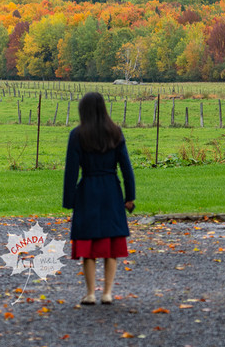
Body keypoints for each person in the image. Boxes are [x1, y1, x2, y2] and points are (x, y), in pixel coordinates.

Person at [62, 91, 136, 305]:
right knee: (110, 242)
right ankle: (107, 293)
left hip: (88, 191)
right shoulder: (116, 133)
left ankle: (90, 293)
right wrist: (129, 196)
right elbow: (127, 169)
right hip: (112, 190)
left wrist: (70, 200)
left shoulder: (77, 135)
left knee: (88, 243)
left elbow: (71, 172)